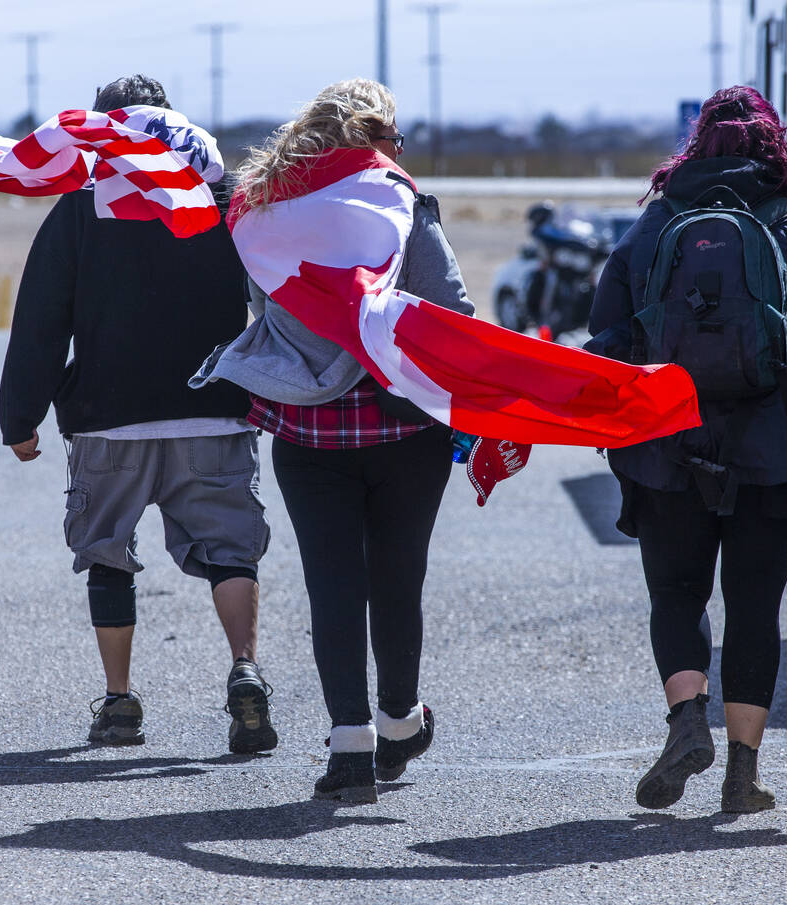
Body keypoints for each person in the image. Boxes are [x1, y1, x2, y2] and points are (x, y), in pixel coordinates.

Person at [586, 85, 787, 813]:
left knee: (676, 592)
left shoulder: (652, 228)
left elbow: (609, 331)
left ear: (693, 150)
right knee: (754, 605)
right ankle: (741, 773)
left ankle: (686, 719)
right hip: (779, 448)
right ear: (776, 151)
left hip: (668, 441)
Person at [195, 78, 473, 803]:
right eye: (395, 140)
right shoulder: (403, 203)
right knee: (397, 577)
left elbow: (263, 305)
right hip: (403, 424)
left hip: (306, 427)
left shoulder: (261, 210)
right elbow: (451, 306)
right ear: (373, 142)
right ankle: (400, 722)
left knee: (333, 585)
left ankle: (350, 743)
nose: (401, 154)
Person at [0, 74, 277, 753]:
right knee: (230, 549)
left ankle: (120, 703)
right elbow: (273, 296)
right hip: (214, 408)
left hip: (108, 415)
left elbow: (41, 318)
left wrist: (21, 414)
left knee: (107, 552)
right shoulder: (222, 200)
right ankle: (245, 668)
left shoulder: (81, 206)